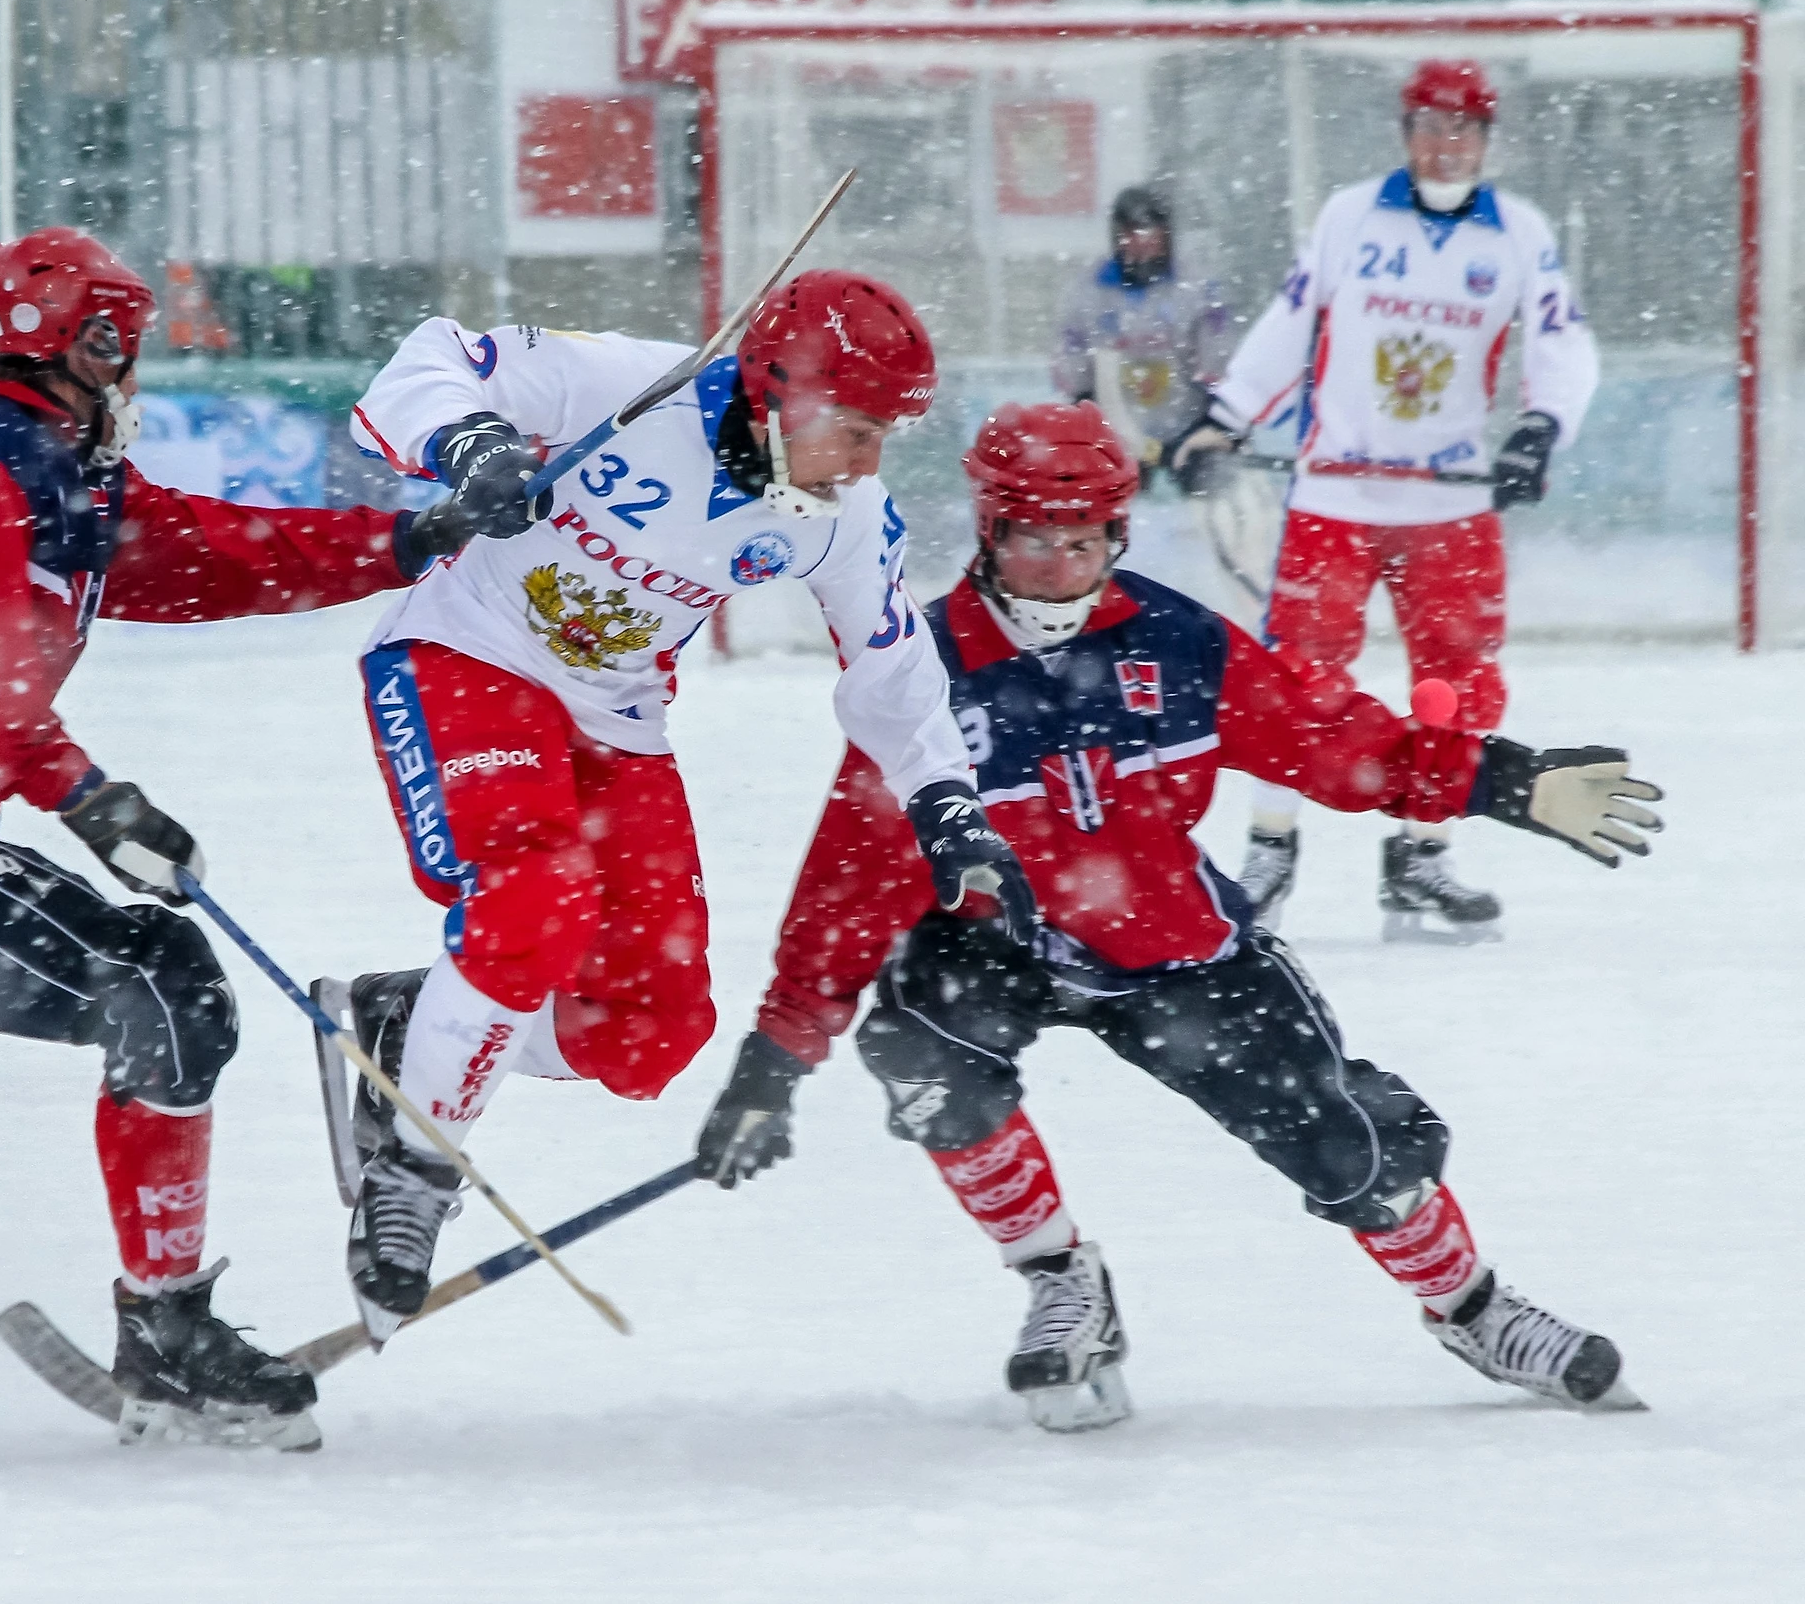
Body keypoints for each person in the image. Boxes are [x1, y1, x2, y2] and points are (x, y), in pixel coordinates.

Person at [0, 227, 542, 1446]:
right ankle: (166, 1337)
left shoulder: (53, 470)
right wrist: (89, 797)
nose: (137, 375)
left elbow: (221, 555)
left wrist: (414, 536)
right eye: (129, 347)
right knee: (163, 982)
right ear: (89, 342)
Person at [697, 402, 1661, 1431]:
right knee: (918, 1045)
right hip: (1002, 943)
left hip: (1174, 953)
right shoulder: (919, 670)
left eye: (1085, 541)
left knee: (1346, 1149)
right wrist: (775, 1058)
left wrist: (1502, 783)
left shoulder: (1175, 640)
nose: (1060, 566)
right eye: (1033, 538)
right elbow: (849, 885)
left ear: (1116, 534)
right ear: (990, 531)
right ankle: (1061, 1281)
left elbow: (1337, 742)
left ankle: (1471, 1305)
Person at [318, 275, 1022, 1343]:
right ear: (775, 392)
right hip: (469, 656)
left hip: (616, 719)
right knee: (532, 901)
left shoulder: (839, 518)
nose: (872, 462)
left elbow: (890, 666)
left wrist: (944, 803)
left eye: (889, 436)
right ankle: (414, 1168)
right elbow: (427, 361)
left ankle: (406, 1023)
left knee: (651, 1030)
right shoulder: (625, 384)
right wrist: (468, 444)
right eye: (858, 429)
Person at [1166, 59, 1599, 940]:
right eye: (1433, 127)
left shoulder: (1518, 233)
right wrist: (1226, 417)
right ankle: (1271, 851)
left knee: (1458, 685)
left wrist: (1540, 428)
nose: (1449, 145)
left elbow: (1563, 340)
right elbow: (1290, 323)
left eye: (1466, 130)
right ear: (1406, 133)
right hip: (1335, 494)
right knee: (1294, 681)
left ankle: (1420, 856)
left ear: (1487, 141)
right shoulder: (1349, 216)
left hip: (1449, 504)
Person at [1051, 184, 1232, 467]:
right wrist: (1085, 409)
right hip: (1117, 432)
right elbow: (1071, 363)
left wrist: (1215, 420)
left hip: (1190, 424)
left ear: (1166, 235)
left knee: (1213, 492)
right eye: (1131, 235)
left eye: (1150, 235)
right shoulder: (1088, 291)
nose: (1141, 246)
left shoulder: (1197, 288)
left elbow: (1218, 357)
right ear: (1117, 236)